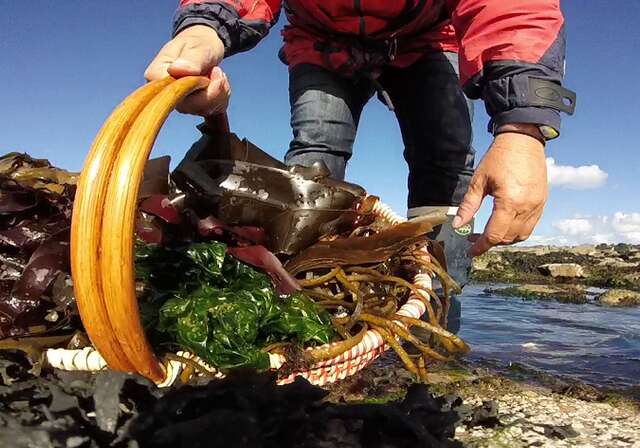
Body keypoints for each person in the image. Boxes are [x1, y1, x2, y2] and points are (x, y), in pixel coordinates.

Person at [145, 0, 575, 330]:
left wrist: (522, 126)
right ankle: (304, 322)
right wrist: (205, 27)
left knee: (446, 167)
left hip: (426, 38)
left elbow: (513, 8)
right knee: (314, 165)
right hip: (322, 42)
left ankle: (435, 325)